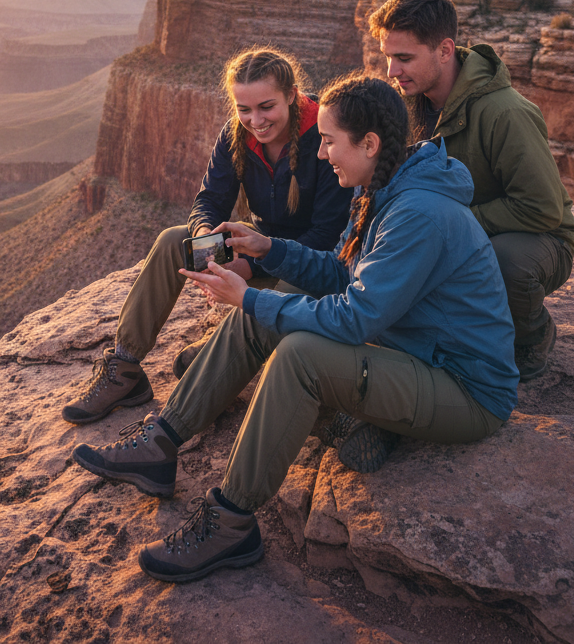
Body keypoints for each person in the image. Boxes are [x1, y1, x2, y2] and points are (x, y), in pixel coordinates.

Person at [71, 74, 517, 582]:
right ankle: (160, 444)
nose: (322, 153)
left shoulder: (417, 212)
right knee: (273, 307)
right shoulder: (383, 185)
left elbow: (355, 316)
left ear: (369, 143)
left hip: (465, 388)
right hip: (415, 356)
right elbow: (340, 272)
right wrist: (269, 249)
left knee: (297, 353)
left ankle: (232, 521)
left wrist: (249, 295)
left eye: (329, 141)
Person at [60, 45, 353, 425]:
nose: (255, 120)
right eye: (243, 109)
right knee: (172, 240)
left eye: (266, 107)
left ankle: (215, 356)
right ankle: (125, 367)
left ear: (292, 95)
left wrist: (247, 266)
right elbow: (210, 201)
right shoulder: (236, 136)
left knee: (280, 296)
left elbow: (326, 235)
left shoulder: (324, 138)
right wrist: (205, 247)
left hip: (308, 266)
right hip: (256, 246)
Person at [366, 0, 574, 381]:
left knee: (506, 265)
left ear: (444, 51)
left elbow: (543, 208)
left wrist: (454, 227)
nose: (392, 71)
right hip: (455, 230)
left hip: (535, 238)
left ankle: (531, 335)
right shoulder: (406, 103)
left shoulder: (505, 113)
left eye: (404, 58)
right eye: (388, 57)